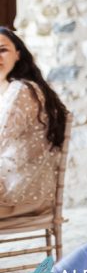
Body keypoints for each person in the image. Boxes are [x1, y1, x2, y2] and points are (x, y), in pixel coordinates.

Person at [0, 26, 69, 216]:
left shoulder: (21, 90)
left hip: (17, 194)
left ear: (18, 54)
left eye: (3, 50)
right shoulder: (8, 90)